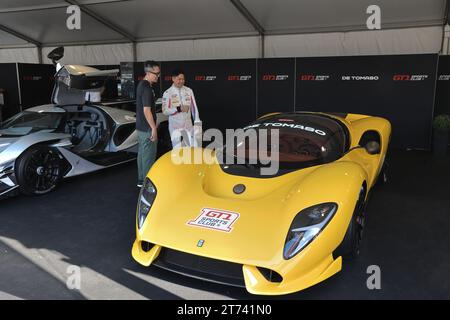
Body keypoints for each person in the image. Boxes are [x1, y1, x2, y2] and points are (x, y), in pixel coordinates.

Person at [136, 60, 160, 187]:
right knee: (148, 157)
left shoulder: (143, 85)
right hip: (146, 128)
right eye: (155, 73)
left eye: (158, 73)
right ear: (148, 72)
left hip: (141, 127)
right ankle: (147, 185)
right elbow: (147, 110)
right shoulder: (146, 87)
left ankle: (141, 180)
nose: (157, 76)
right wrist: (153, 128)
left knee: (142, 154)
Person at [162, 69, 201, 148]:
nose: (181, 81)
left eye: (183, 79)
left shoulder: (189, 91)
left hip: (188, 125)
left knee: (193, 147)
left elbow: (194, 108)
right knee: (177, 150)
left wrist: (197, 123)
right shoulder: (167, 93)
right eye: (179, 79)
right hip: (175, 126)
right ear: (173, 79)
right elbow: (165, 111)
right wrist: (178, 109)